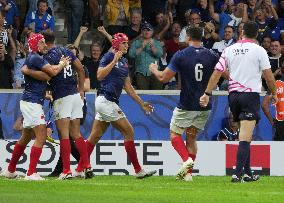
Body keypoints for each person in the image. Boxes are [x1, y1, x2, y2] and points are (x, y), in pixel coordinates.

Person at [199, 21, 277, 182]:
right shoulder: (259, 50)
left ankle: (247, 173)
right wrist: (274, 93)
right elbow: (269, 76)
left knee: (245, 135)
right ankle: (237, 172)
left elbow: (217, 73)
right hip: (250, 96)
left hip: (233, 96)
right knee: (245, 137)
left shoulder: (229, 49)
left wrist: (207, 92)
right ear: (257, 34)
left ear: (242, 33)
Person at [76, 33, 157, 178]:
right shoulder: (108, 56)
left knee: (94, 137)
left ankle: (79, 170)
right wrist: (114, 60)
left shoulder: (125, 62)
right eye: (124, 43)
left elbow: (128, 86)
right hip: (105, 100)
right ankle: (138, 170)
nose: (127, 45)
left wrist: (141, 104)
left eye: (127, 43)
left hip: (108, 102)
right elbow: (100, 75)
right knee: (129, 132)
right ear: (117, 44)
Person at [149, 26, 219, 181]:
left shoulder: (181, 55)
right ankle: (188, 175)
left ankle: (186, 160)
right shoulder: (212, 55)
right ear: (202, 37)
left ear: (188, 37)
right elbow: (224, 73)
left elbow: (163, 78)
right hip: (204, 104)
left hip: (187, 104)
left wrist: (154, 69)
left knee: (174, 134)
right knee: (192, 138)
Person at [1, 33, 69, 180]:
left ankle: (10, 170)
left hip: (31, 100)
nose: (45, 45)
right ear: (35, 44)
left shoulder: (34, 58)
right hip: (32, 102)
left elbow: (35, 75)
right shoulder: (36, 58)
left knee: (25, 137)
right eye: (42, 42)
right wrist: (62, 63)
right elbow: (52, 72)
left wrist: (43, 90)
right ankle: (31, 173)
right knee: (42, 135)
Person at [41, 30, 92, 180]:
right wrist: (81, 89)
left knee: (64, 135)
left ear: (44, 42)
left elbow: (50, 74)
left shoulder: (47, 57)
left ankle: (66, 171)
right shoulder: (65, 50)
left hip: (62, 97)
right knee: (76, 134)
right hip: (76, 95)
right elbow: (81, 69)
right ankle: (86, 166)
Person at [262, 66, 284, 141]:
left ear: (281, 71)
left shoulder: (275, 85)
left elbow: (264, 105)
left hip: (280, 123)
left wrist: (272, 122)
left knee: (279, 151)